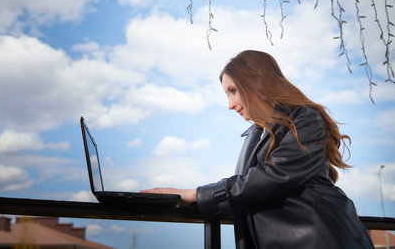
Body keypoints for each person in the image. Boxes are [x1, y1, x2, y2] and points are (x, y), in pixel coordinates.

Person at [141, 50, 374, 249]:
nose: (230, 104)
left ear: (256, 83)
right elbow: (248, 193)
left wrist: (195, 194)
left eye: (233, 91)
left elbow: (272, 178)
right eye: (227, 94)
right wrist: (192, 201)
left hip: (321, 240)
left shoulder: (306, 119)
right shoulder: (256, 133)